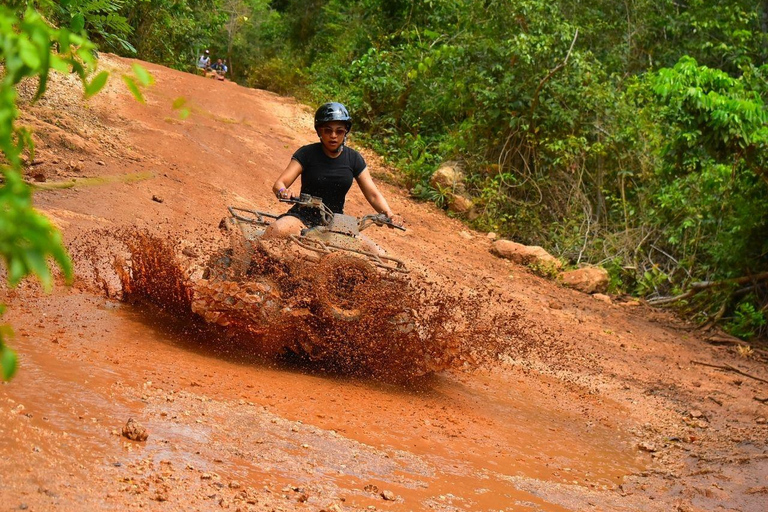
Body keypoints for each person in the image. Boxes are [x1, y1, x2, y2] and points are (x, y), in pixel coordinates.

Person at [265, 102, 401, 241]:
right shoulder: (306, 154)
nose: (333, 135)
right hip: (302, 217)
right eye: (328, 130)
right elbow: (279, 183)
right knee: (276, 231)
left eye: (339, 131)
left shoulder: (354, 159)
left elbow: (373, 194)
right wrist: (283, 191)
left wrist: (389, 214)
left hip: (336, 224)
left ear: (346, 132)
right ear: (319, 131)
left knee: (376, 254)